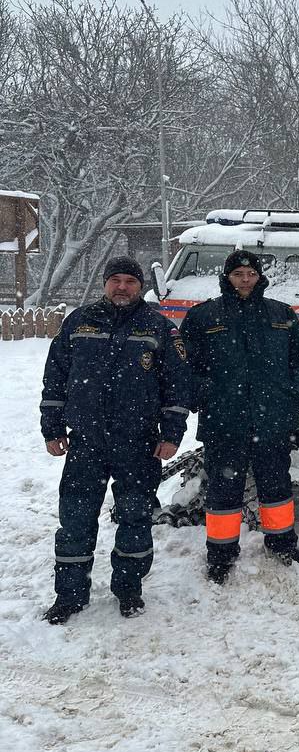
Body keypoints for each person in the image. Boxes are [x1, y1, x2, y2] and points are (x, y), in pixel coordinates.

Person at [39, 256, 192, 623]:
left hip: (139, 445)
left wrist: (172, 434)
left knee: (135, 518)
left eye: (129, 281)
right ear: (105, 284)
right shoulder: (78, 323)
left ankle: (128, 591)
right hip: (86, 443)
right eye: (115, 280)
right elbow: (55, 377)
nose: (122, 287)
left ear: (141, 286)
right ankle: (70, 596)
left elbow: (177, 386)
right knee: (75, 519)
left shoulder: (159, 328)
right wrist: (52, 427)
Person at [180, 249, 299, 584]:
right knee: (224, 491)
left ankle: (282, 543)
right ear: (227, 277)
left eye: (250, 274)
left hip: (272, 420)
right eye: (238, 274)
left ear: (259, 276)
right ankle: (221, 555)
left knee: (277, 487)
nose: (245, 280)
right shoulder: (204, 317)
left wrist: (294, 393)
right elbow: (185, 366)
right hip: (224, 422)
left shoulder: (281, 314)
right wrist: (203, 393)